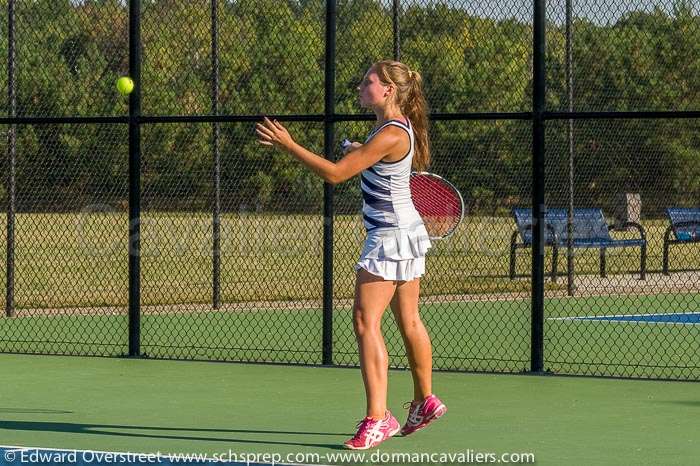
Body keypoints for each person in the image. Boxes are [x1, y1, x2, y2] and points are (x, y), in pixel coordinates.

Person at [255, 59, 446, 450]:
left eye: (368, 81)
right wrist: (364, 150)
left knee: (365, 321)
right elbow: (381, 163)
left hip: (390, 235)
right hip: (406, 231)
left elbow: (336, 174)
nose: (362, 86)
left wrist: (289, 144)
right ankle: (425, 400)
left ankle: (379, 417)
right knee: (409, 319)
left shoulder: (390, 132)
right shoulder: (389, 129)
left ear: (388, 91)